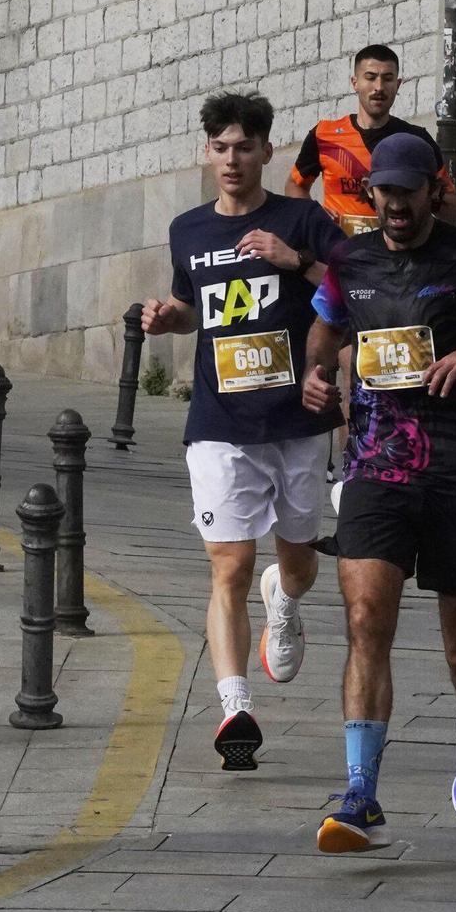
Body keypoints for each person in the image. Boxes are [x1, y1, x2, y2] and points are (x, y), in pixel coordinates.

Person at [300, 132, 456, 853]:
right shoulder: (350, 260)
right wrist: (316, 374)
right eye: (383, 192)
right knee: (365, 621)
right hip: (375, 468)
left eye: (407, 193)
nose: (394, 205)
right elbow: (325, 329)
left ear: (434, 190)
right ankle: (360, 793)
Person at [141, 92, 344, 770]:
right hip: (220, 422)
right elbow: (191, 307)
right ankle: (235, 707)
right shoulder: (189, 231)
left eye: (244, 148)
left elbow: (357, 286)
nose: (232, 160)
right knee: (228, 564)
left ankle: (283, 602)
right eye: (221, 148)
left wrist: (296, 260)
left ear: (265, 152)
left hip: (297, 418)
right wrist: (164, 318)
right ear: (209, 152)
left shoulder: (303, 219)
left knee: (300, 562)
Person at [287, 44, 456, 236]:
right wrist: (313, 215)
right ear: (355, 82)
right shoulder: (324, 134)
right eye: (370, 77)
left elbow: (453, 211)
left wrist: (421, 204)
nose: (379, 87)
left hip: (396, 254)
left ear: (398, 84)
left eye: (387, 79)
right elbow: (295, 185)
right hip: (338, 251)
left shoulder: (416, 140)